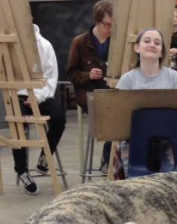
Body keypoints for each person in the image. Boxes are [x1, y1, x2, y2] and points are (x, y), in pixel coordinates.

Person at [113, 28, 177, 179]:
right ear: (137, 48)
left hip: (169, 140)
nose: (152, 44)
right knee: (136, 183)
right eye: (146, 41)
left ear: (161, 52)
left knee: (174, 181)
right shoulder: (127, 80)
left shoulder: (175, 78)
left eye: (157, 43)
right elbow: (119, 118)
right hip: (135, 142)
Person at [14, 24, 66, 196]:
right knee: (18, 124)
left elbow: (51, 78)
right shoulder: (10, 45)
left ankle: (45, 156)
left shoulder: (44, 45)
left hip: (41, 93)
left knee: (59, 118)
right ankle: (21, 170)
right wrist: (23, 93)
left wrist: (37, 96)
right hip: (19, 94)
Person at [67, 0, 114, 171]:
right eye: (106, 25)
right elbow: (71, 73)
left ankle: (111, 159)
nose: (109, 29)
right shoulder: (79, 42)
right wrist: (88, 75)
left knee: (123, 110)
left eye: (113, 25)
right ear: (97, 21)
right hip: (89, 94)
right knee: (114, 112)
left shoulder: (117, 40)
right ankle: (108, 160)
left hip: (113, 92)